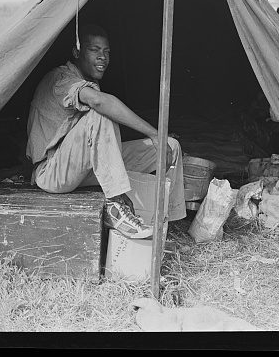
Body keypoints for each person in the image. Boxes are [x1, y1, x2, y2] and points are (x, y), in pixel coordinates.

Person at [26, 23, 186, 239]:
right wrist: (153, 133)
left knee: (170, 146)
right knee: (100, 114)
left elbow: (103, 138)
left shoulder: (88, 83)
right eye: (94, 50)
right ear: (77, 52)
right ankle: (116, 206)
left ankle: (171, 221)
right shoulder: (61, 79)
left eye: (106, 52)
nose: (103, 57)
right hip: (53, 173)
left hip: (82, 168)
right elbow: (99, 104)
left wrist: (159, 139)